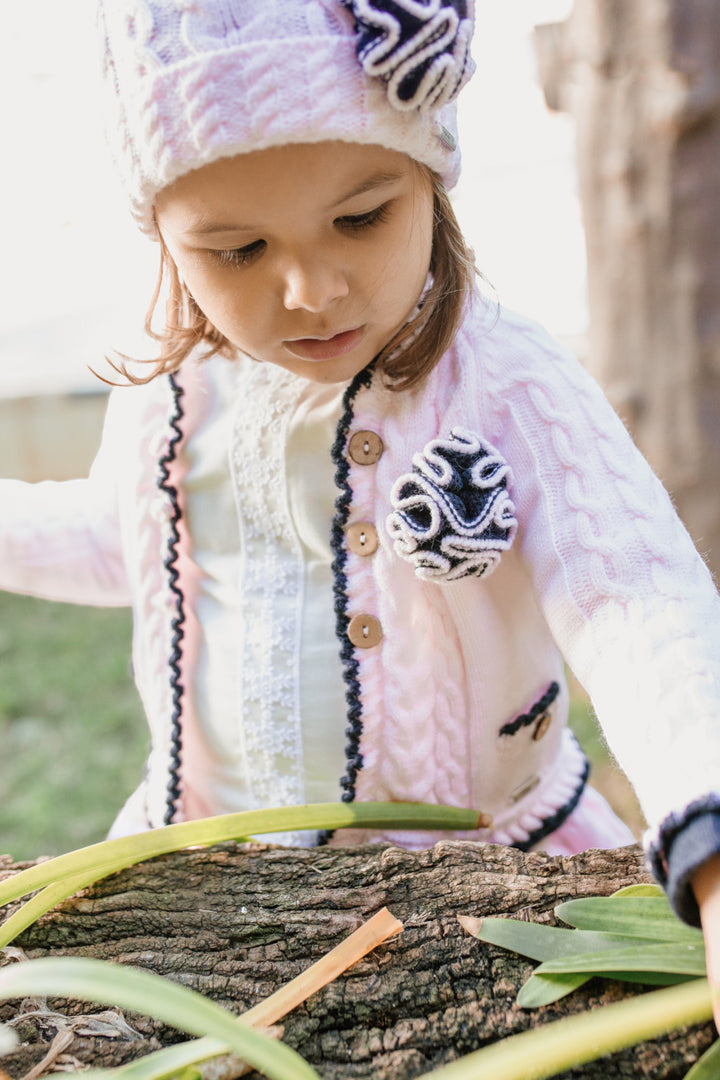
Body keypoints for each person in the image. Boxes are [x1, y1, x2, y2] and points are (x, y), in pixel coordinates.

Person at [3, 0, 720, 1013]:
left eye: (360, 217)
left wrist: (709, 833)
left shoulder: (506, 383)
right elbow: (124, 544)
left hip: (484, 877)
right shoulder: (174, 392)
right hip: (214, 875)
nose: (307, 287)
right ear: (163, 238)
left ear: (431, 176)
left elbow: (631, 595)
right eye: (236, 250)